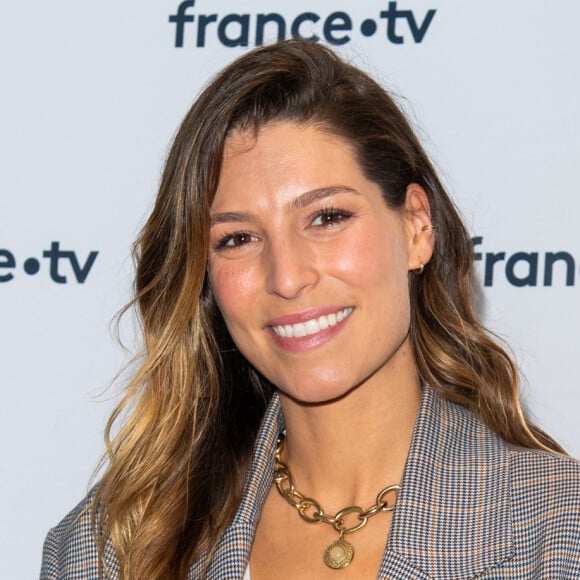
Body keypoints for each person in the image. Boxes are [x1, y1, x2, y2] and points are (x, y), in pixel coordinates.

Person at [41, 39, 579, 580]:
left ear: (416, 226)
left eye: (327, 217)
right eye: (237, 238)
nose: (288, 277)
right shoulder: (107, 548)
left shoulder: (556, 533)